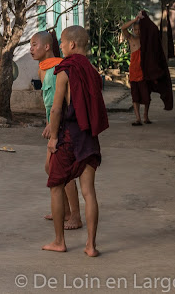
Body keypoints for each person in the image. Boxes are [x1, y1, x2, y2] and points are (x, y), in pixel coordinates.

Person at [43, 26, 108, 257]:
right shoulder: (92, 71)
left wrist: (53, 138)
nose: (60, 46)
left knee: (56, 186)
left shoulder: (65, 71)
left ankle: (59, 241)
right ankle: (91, 246)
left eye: (62, 42)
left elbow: (57, 109)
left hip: (70, 137)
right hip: (89, 138)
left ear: (72, 44)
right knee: (89, 192)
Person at [30, 31, 82, 230]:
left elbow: (57, 102)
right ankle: (65, 211)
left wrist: (53, 125)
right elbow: (48, 101)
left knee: (61, 170)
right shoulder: (43, 69)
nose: (31, 49)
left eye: (35, 45)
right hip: (54, 123)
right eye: (30, 45)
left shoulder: (57, 68)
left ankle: (74, 215)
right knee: (51, 168)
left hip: (62, 124)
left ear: (46, 47)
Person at [121, 13, 151, 125]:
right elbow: (123, 28)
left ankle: (145, 116)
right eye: (135, 29)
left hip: (144, 72)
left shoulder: (145, 40)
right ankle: (138, 118)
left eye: (139, 29)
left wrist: (144, 20)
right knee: (135, 97)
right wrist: (135, 20)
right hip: (133, 72)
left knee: (146, 97)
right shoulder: (131, 39)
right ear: (133, 29)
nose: (137, 31)